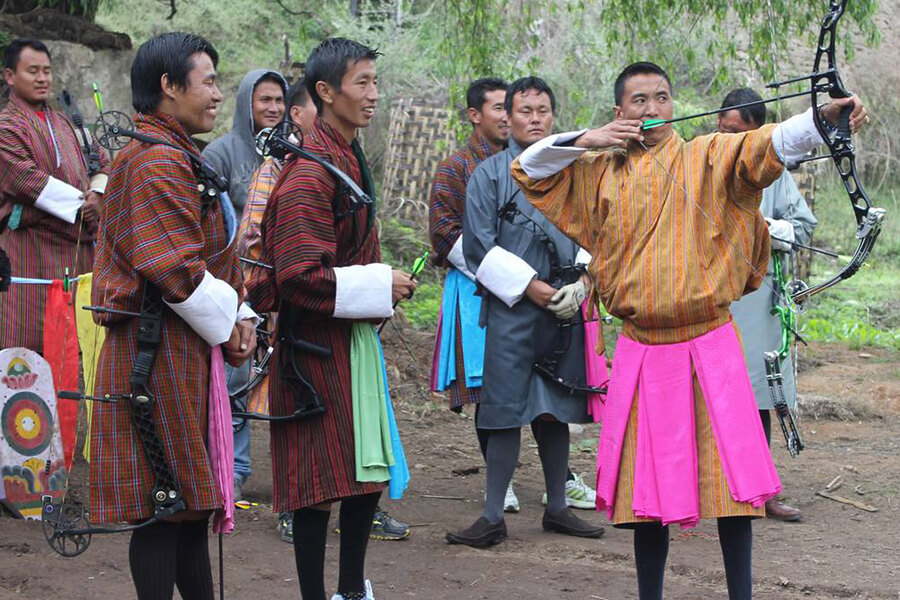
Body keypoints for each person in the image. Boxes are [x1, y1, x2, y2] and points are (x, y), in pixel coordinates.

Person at [510, 61, 867, 600]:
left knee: (732, 489)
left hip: (710, 343)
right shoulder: (597, 170)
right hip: (643, 347)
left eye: (661, 98)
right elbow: (530, 169)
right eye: (638, 101)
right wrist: (588, 139)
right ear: (619, 113)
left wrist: (823, 118)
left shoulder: (707, 154)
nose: (651, 109)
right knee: (644, 494)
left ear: (674, 104)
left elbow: (769, 143)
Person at [89, 32, 257, 600]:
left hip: (178, 349)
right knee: (164, 506)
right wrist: (234, 324)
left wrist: (241, 317)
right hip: (154, 355)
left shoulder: (174, 154)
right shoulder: (154, 162)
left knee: (187, 508)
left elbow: (213, 262)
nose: (216, 94)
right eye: (207, 80)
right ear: (168, 86)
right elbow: (178, 273)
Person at [247, 38, 414, 600]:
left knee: (364, 473)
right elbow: (296, 276)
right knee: (318, 483)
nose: (373, 94)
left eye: (374, 81)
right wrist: (377, 284)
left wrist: (380, 285)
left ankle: (351, 588)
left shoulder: (343, 155)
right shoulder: (308, 175)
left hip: (349, 340)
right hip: (314, 351)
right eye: (362, 83)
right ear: (325, 91)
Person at [445, 76, 605, 548]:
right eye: (524, 111)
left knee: (555, 410)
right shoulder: (489, 175)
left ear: (554, 116)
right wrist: (531, 289)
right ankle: (492, 514)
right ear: (506, 118)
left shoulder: (577, 170)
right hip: (513, 311)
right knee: (503, 413)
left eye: (543, 110)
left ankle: (557, 506)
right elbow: (478, 247)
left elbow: (599, 231)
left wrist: (584, 281)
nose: (534, 119)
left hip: (566, 310)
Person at [719, 87, 817, 523]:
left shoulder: (774, 174)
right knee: (707, 397)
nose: (727, 140)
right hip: (709, 302)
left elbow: (803, 228)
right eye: (721, 130)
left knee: (759, 397)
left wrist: (768, 228)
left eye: (737, 132)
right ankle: (710, 489)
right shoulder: (701, 166)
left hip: (756, 306)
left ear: (756, 133)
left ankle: (760, 489)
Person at [203, 67, 287, 506]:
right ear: (245, 104)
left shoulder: (293, 154)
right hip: (235, 285)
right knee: (237, 377)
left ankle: (293, 478)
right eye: (264, 100)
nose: (273, 108)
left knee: (285, 380)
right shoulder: (220, 154)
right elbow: (212, 225)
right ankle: (234, 471)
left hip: (283, 284)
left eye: (279, 100)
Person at [0, 38, 108, 352]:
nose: (42, 78)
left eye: (46, 71)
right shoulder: (6, 127)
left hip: (77, 256)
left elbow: (102, 160)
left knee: (76, 349)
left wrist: (98, 194)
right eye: (32, 71)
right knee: (25, 350)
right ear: (9, 76)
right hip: (29, 255)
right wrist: (83, 205)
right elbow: (24, 179)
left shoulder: (66, 121)